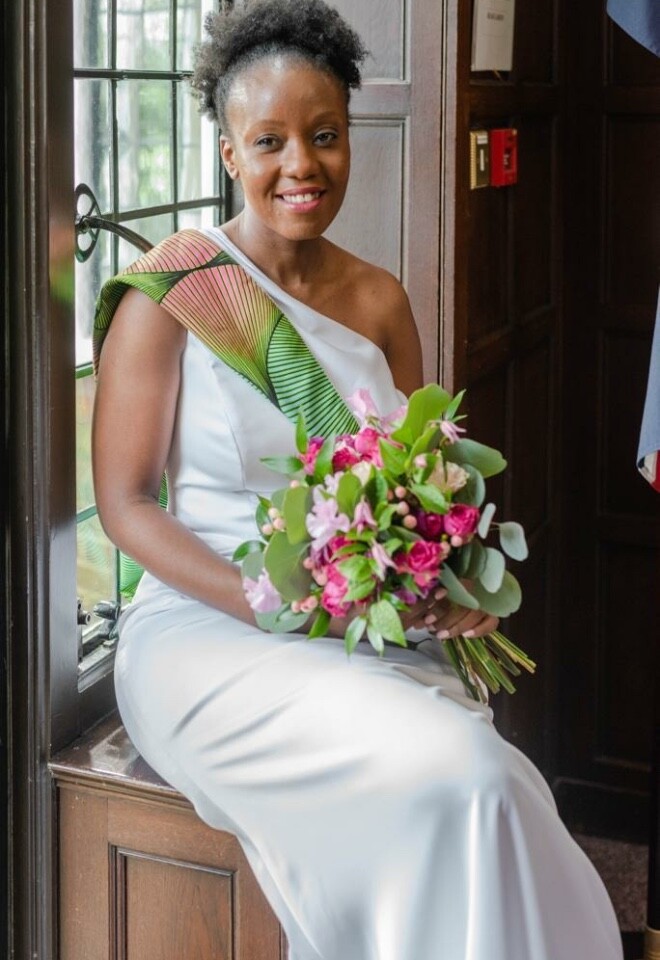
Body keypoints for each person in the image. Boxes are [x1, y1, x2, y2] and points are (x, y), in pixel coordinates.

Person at [92, 2, 624, 957]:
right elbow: (127, 506)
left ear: (349, 138)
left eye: (324, 136)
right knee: (466, 772)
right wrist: (272, 606)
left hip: (361, 620)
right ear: (228, 155)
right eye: (270, 141)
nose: (301, 165)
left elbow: (430, 477)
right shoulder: (175, 293)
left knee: (482, 780)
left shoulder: (380, 296)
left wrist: (453, 578)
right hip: (208, 631)